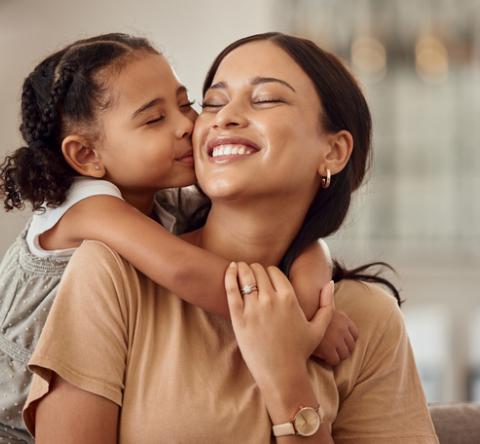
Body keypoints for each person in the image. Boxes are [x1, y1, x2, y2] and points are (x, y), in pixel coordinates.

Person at [23, 32, 438, 443]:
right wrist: (291, 313)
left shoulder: (367, 318)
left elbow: (309, 245)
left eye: (266, 99)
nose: (221, 117)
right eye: (215, 102)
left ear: (333, 151)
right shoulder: (110, 269)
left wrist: (286, 382)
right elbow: (182, 268)